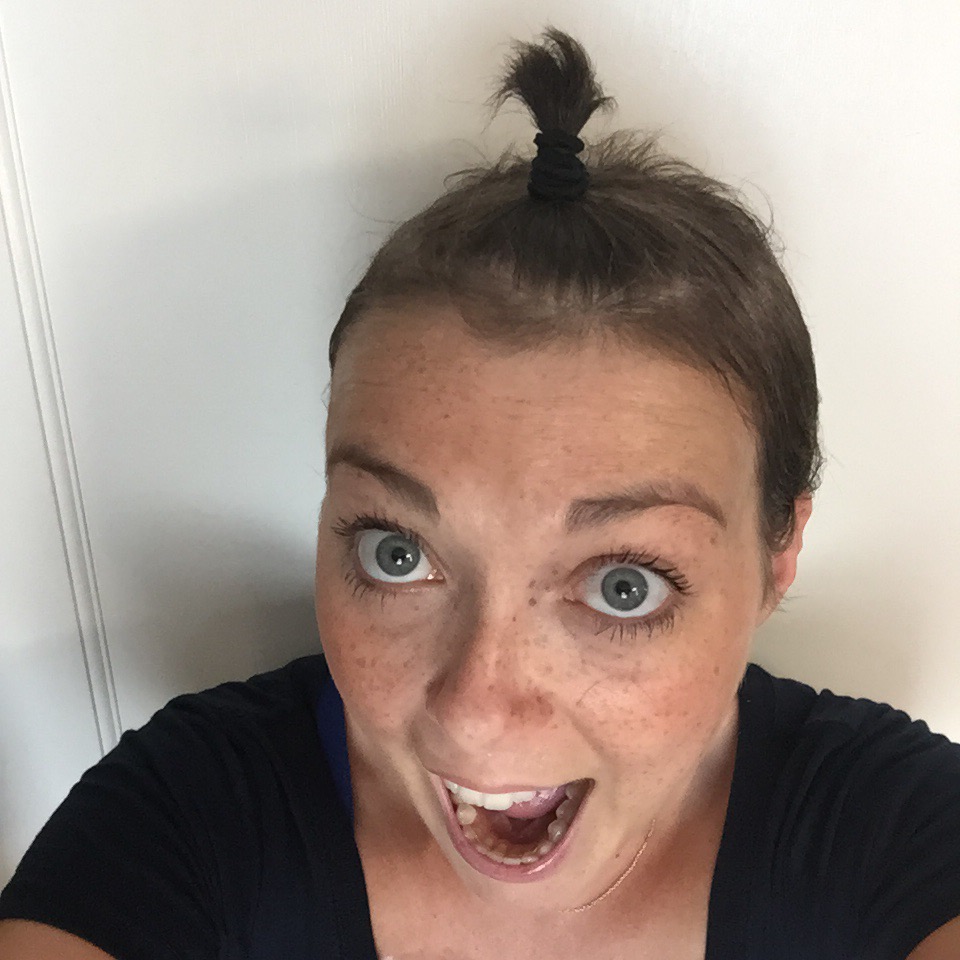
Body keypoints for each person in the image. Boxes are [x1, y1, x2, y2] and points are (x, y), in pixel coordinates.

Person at [1, 26, 959, 960]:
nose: (475, 713)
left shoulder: (894, 835)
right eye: (397, 554)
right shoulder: (191, 818)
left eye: (623, 585)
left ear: (777, 557)